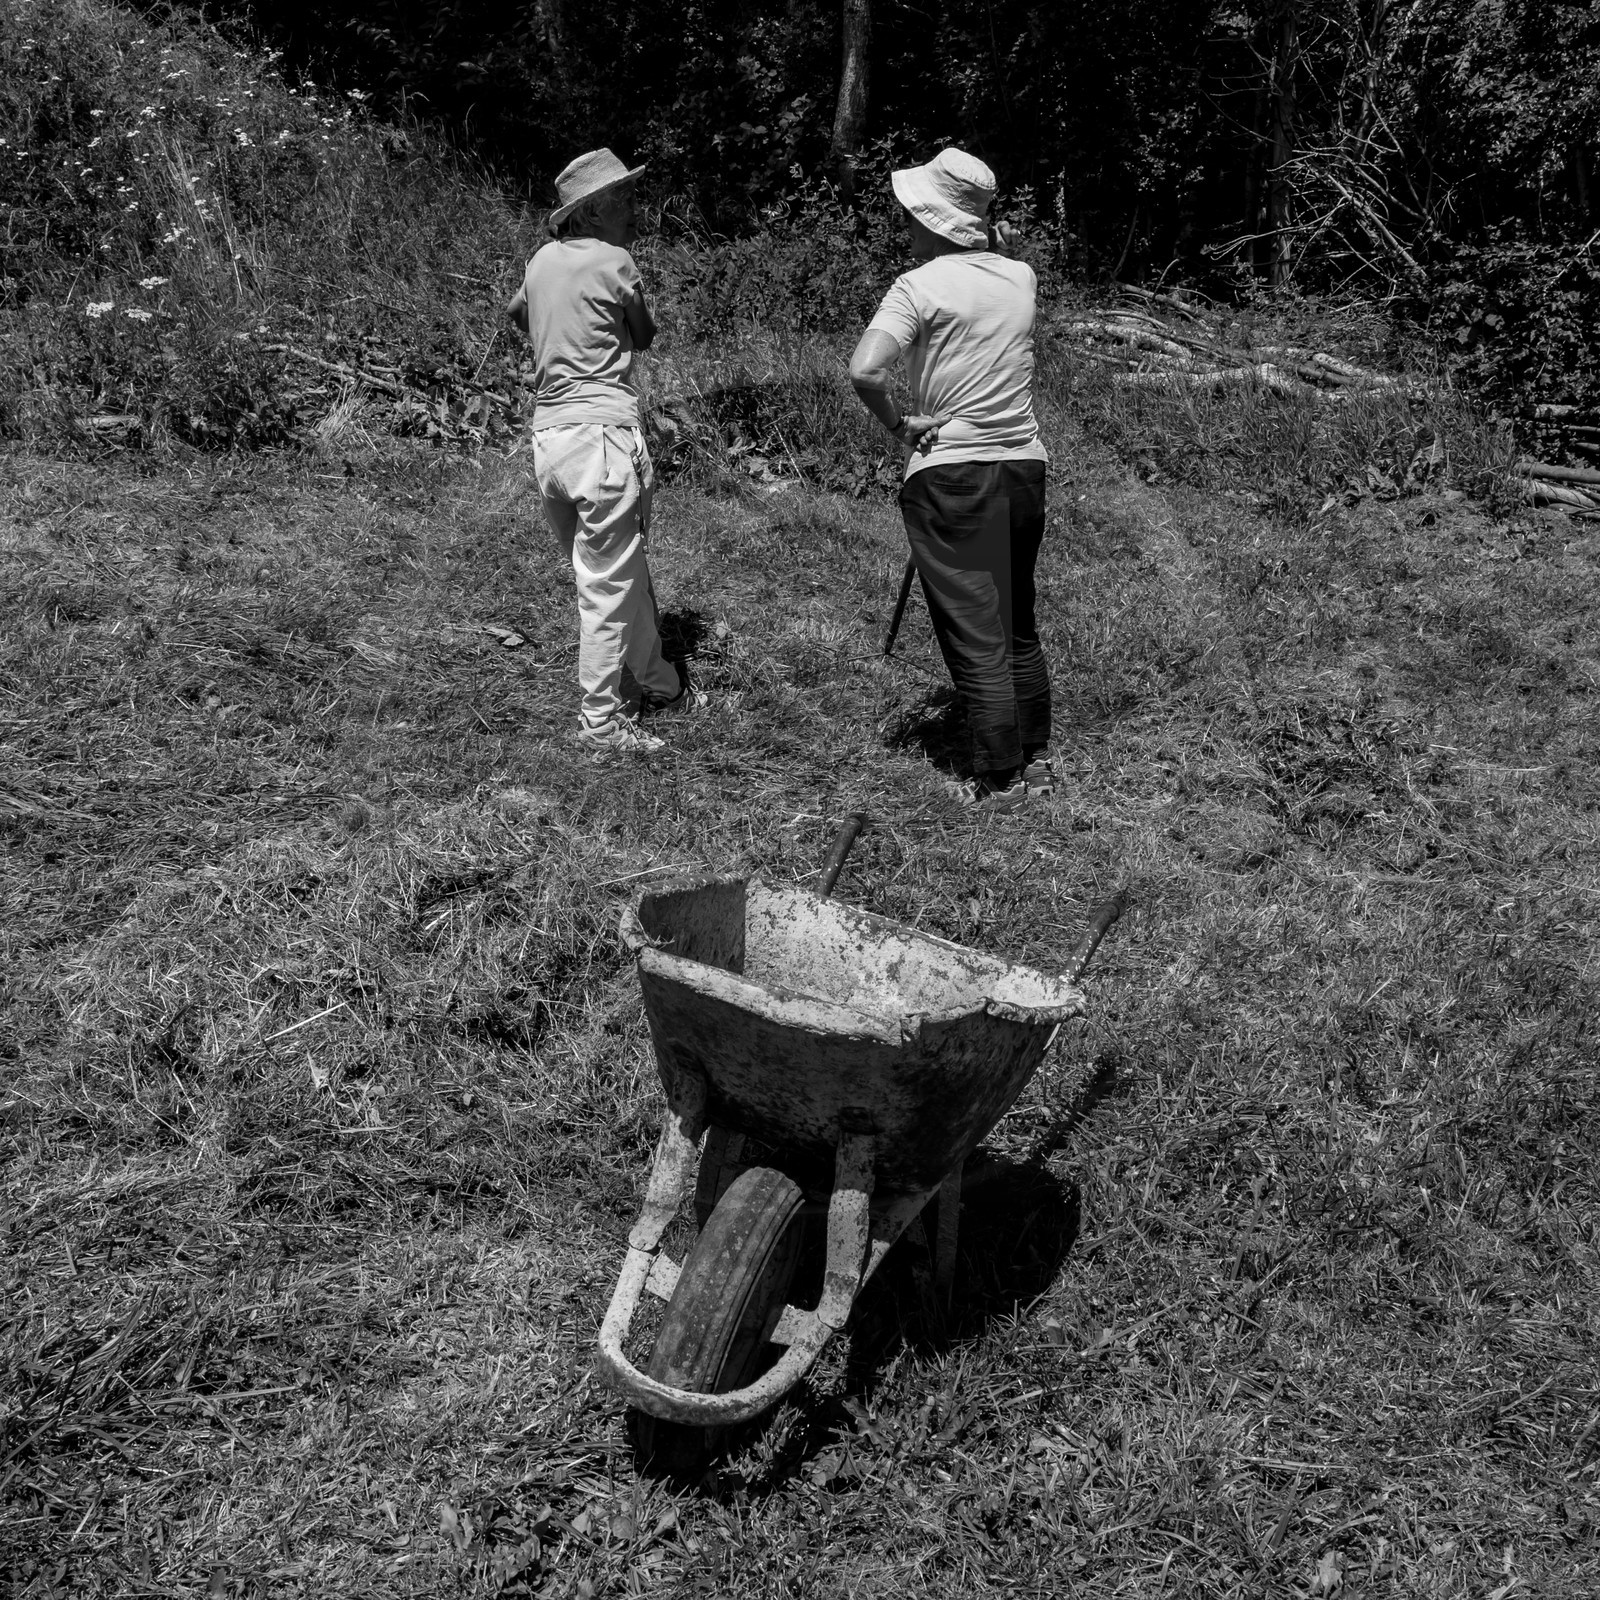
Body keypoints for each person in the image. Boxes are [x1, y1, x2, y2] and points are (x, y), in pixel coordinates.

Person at [848, 148, 1054, 806]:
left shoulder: (918, 287)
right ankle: (1034, 755)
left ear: (931, 219)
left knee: (975, 625)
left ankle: (998, 774)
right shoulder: (1020, 279)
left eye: (912, 214)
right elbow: (1000, 257)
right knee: (1016, 616)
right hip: (1023, 467)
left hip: (951, 473)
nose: (906, 224)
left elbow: (866, 370)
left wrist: (898, 424)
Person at [508, 148, 689, 754]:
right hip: (604, 438)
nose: (637, 213)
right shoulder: (615, 260)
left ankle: (660, 683)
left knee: (616, 570)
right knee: (608, 584)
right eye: (627, 202)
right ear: (594, 212)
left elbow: (517, 312)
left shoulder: (539, 263)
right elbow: (645, 335)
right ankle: (602, 721)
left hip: (550, 440)